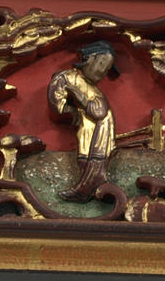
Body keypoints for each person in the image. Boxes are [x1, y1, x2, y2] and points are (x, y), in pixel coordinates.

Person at [48, 41, 118, 202]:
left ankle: (88, 188)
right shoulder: (67, 78)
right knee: (86, 160)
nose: (103, 71)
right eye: (102, 64)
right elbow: (57, 100)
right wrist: (70, 110)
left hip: (100, 136)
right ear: (90, 58)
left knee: (93, 161)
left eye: (107, 69)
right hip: (87, 131)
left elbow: (99, 111)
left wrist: (81, 98)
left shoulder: (95, 91)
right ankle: (86, 188)